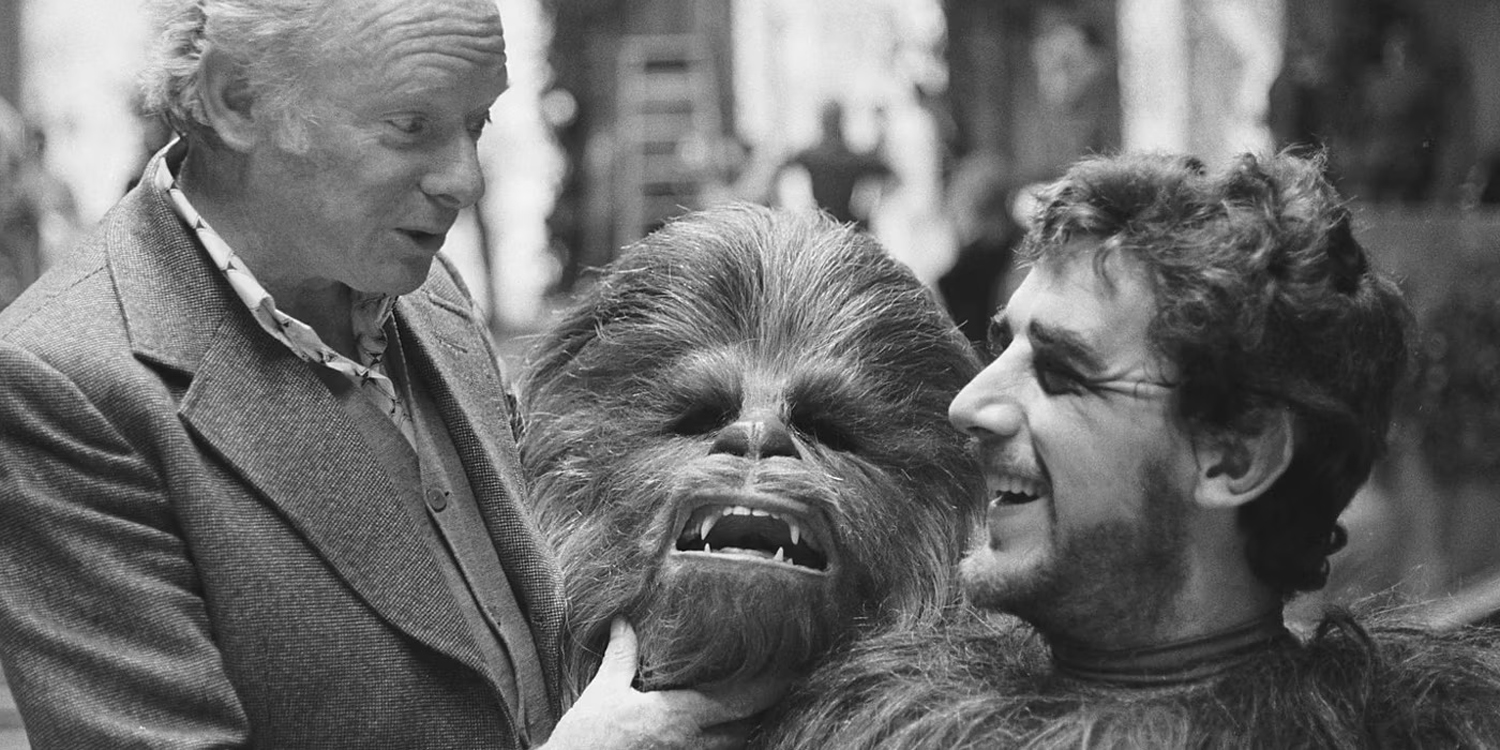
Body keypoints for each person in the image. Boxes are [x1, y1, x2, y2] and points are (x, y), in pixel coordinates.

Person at [0, 0, 775, 747]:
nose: (465, 180)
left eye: (478, 123)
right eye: (411, 125)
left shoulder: (421, 288)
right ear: (236, 98)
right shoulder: (65, 383)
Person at [760, 151, 1500, 748]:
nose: (969, 405)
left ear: (1234, 456)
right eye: (1001, 346)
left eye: (1060, 371)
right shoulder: (870, 713)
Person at [780, 101, 892, 228]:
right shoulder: (849, 158)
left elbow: (885, 171)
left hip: (827, 224)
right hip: (843, 224)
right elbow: (884, 169)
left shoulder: (814, 156)